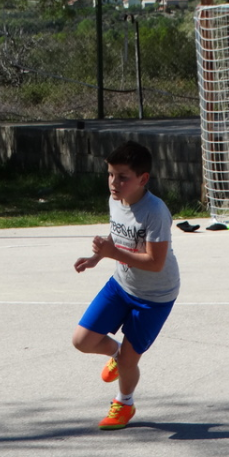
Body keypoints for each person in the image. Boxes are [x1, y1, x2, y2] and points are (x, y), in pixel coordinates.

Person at [71, 141, 180, 430]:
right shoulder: (116, 201)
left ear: (143, 179)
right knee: (82, 341)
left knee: (131, 362)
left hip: (155, 296)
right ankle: (118, 355)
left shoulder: (155, 212)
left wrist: (111, 253)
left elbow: (155, 262)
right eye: (110, 174)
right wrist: (97, 257)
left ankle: (124, 403)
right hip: (121, 284)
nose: (114, 183)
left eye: (122, 177)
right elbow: (116, 236)